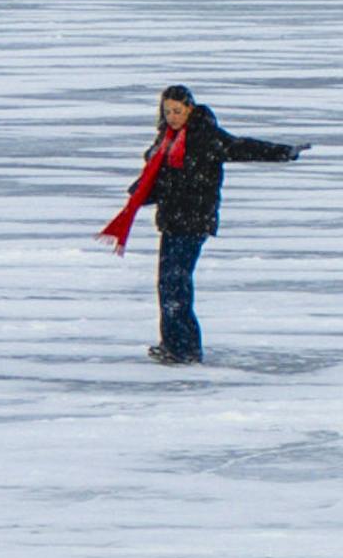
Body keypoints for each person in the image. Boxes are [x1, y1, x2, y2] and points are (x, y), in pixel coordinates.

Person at [100, 84, 307, 364]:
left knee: (176, 283)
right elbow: (158, 174)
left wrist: (284, 152)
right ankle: (175, 344)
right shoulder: (167, 139)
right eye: (167, 111)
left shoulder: (204, 137)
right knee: (168, 285)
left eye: (178, 110)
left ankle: (184, 348)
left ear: (190, 108)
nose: (173, 116)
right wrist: (139, 191)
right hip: (172, 220)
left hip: (195, 220)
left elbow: (241, 147)